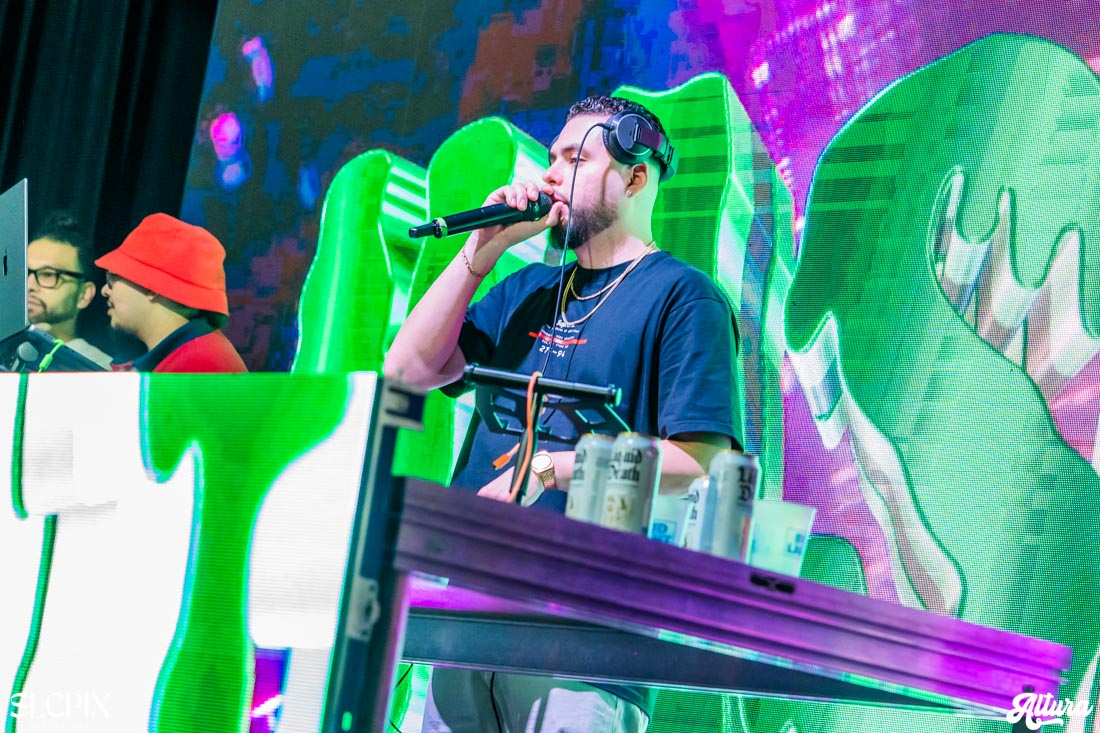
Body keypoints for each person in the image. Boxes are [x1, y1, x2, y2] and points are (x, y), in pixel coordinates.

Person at [385, 95, 741, 732]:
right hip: (464, 620)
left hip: (581, 642)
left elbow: (700, 463)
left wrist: (548, 469)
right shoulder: (526, 291)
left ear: (635, 177)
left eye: (575, 159)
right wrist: (482, 251)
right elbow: (407, 372)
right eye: (551, 158)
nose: (550, 175)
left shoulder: (684, 298)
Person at [95, 213, 247, 373]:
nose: (105, 291)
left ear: (151, 287)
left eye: (113, 277)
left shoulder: (196, 369)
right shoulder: (198, 355)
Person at [26, 212, 113, 368]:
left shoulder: (101, 369)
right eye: (24, 273)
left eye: (48, 274)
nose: (29, 285)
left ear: (84, 295)